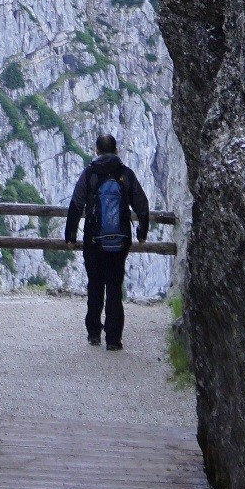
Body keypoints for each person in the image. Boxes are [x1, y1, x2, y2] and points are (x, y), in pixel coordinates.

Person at [65, 132, 151, 351]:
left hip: (93, 239)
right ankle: (113, 339)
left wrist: (70, 236)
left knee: (95, 284)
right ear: (117, 150)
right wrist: (142, 232)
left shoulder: (90, 174)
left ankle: (94, 333)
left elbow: (76, 205)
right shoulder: (126, 174)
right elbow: (142, 205)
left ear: (96, 151)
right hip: (120, 240)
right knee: (114, 286)